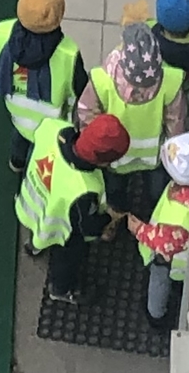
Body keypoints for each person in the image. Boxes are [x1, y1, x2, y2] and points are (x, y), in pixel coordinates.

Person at [15, 111, 129, 298]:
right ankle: (61, 290)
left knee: (39, 226)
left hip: (32, 200)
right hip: (61, 230)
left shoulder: (54, 128)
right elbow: (87, 227)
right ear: (101, 160)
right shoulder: (85, 187)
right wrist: (108, 218)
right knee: (68, 257)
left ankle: (34, 246)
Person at [82, 20, 188, 213]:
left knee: (116, 192)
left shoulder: (102, 80)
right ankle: (148, 217)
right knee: (154, 193)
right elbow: (176, 124)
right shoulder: (170, 82)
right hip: (153, 157)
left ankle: (119, 217)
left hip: (116, 159)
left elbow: (87, 115)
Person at [0, 0, 83, 175]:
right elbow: (80, 90)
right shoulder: (68, 53)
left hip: (18, 114)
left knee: (19, 139)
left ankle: (16, 163)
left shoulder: (2, 31)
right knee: (43, 163)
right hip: (52, 123)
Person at [131, 131, 189, 322]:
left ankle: (157, 316)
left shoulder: (182, 213)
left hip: (168, 261)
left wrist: (138, 230)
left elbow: (164, 242)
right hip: (173, 250)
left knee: (158, 285)